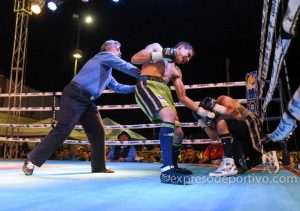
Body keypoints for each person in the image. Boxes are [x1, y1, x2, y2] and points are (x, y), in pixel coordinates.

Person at [22, 40, 140, 175]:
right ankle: (31, 160)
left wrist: (137, 87)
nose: (120, 52)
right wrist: (142, 75)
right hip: (75, 95)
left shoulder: (107, 71)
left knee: (98, 132)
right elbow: (123, 65)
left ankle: (98, 167)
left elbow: (118, 87)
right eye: (117, 49)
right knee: (63, 130)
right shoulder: (103, 56)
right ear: (108, 48)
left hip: (88, 102)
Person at [131, 42, 215, 184]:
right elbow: (134, 59)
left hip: (164, 92)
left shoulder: (177, 71)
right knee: (168, 115)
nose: (187, 59)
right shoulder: (157, 47)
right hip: (148, 84)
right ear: (181, 47)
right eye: (187, 55)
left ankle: (173, 166)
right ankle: (166, 171)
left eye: (190, 59)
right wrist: (160, 55)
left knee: (179, 133)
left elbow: (182, 97)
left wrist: (202, 112)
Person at [193, 95, 275, 176]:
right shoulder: (214, 119)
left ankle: (229, 164)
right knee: (245, 166)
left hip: (249, 123)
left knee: (221, 123)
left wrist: (217, 107)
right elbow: (214, 137)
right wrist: (201, 122)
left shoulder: (222, 100)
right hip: (237, 133)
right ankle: (268, 158)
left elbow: (239, 116)